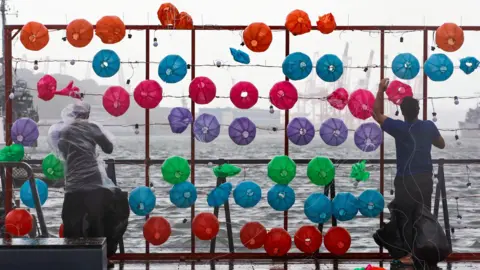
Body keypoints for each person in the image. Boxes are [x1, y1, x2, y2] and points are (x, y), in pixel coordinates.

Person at [371, 78, 445, 267]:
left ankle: (407, 254)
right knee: (422, 217)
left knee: (404, 217)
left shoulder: (399, 127)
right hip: (425, 179)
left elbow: (376, 114)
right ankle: (422, 253)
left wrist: (381, 90)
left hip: (405, 180)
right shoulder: (428, 126)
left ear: (402, 112)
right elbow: (441, 144)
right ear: (418, 111)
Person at [56, 101, 129, 268]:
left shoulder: (64, 131)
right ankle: (101, 259)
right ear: (87, 114)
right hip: (93, 183)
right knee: (97, 221)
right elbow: (109, 148)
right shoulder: (92, 128)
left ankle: (71, 258)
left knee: (70, 222)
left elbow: (63, 151)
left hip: (73, 183)